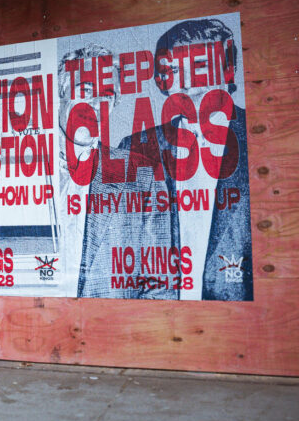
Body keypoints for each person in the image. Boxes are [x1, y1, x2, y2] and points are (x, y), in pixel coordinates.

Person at [130, 18, 253, 300]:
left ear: (228, 70)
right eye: (174, 70)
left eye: (199, 66)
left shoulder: (259, 136)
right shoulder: (137, 148)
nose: (186, 82)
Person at [57, 44, 180, 299]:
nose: (95, 104)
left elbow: (160, 285)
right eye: (86, 90)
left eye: (107, 96)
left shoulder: (142, 175)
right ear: (62, 91)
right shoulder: (15, 172)